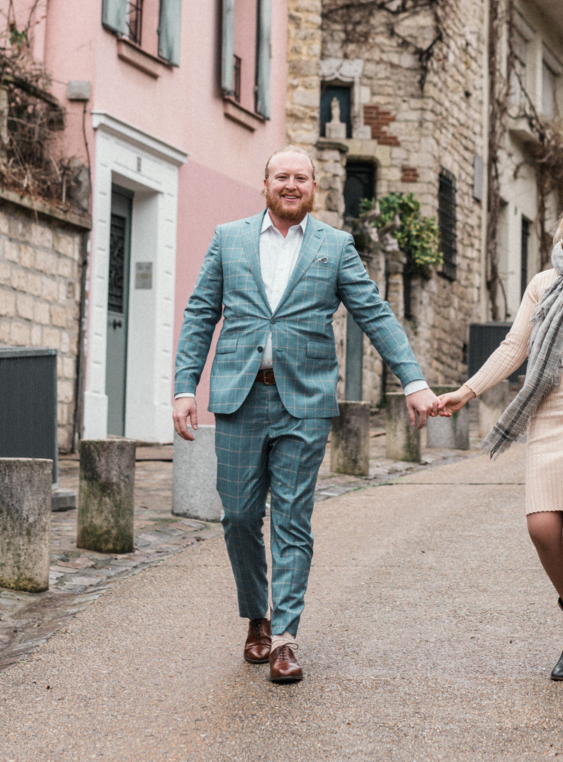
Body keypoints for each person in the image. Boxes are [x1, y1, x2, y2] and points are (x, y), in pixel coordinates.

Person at [172, 147, 439, 685]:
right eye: (281, 177)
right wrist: (183, 386)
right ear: (265, 183)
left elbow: (374, 313)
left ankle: (286, 639)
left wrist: (413, 379)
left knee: (292, 518)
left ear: (314, 186)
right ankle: (258, 615)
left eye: (301, 177)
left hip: (305, 401)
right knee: (240, 516)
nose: (291, 185)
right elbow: (202, 311)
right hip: (240, 399)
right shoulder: (229, 239)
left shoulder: (335, 246)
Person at [437, 188, 563, 681]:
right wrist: (467, 392)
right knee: (541, 527)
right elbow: (515, 348)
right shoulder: (544, 282)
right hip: (548, 412)